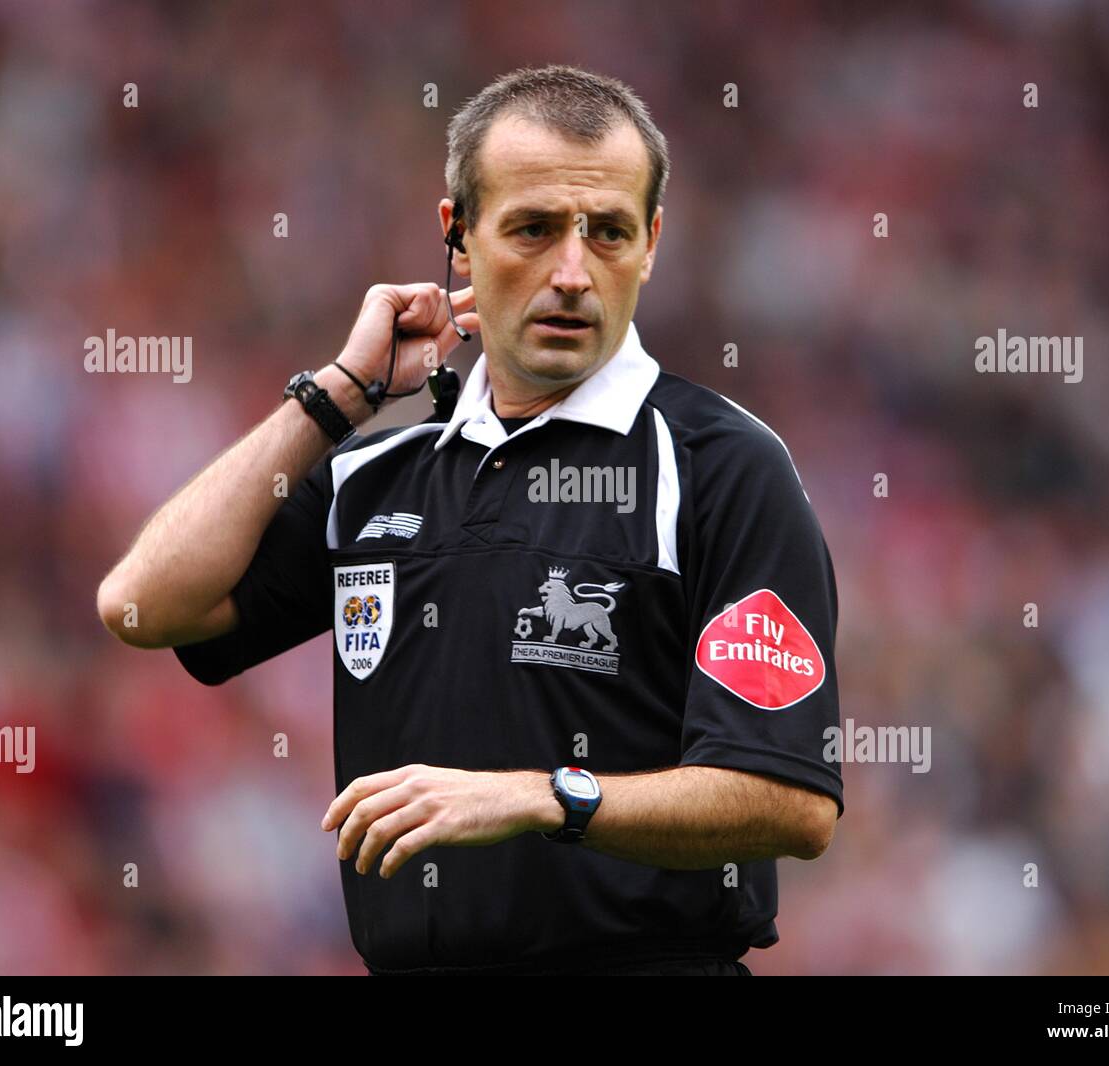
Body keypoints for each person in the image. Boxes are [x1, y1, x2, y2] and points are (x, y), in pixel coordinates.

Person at [97, 63, 843, 976]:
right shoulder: (381, 469)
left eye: (607, 233)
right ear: (458, 232)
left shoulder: (721, 466)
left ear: (650, 244)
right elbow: (145, 604)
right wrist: (336, 397)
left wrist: (544, 796)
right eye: (532, 229)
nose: (572, 274)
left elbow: (791, 801)